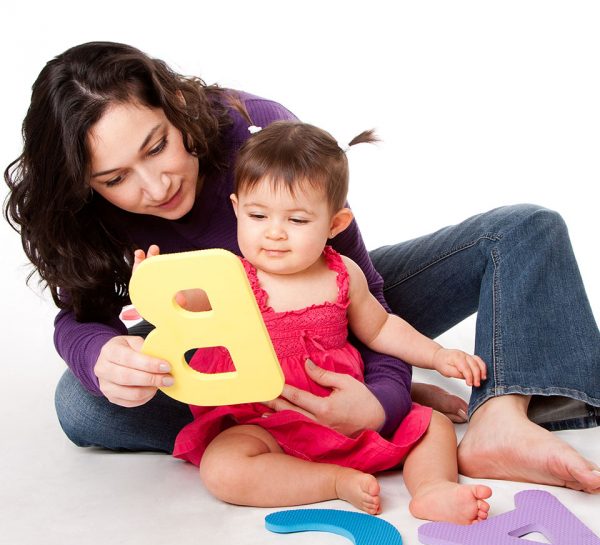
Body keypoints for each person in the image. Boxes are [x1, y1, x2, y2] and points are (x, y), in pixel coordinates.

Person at [4, 41, 599, 495]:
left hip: (330, 317)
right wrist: (101, 356)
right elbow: (80, 315)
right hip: (229, 371)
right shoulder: (80, 213)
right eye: (114, 180)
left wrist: (380, 399)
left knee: (524, 230)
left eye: (157, 146)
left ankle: (500, 417)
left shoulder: (257, 134)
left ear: (176, 106)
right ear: (82, 185)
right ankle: (290, 432)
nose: (155, 186)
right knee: (80, 403)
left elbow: (372, 293)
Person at [132, 120, 492, 522]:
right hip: (265, 422)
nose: (275, 234)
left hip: (345, 413)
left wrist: (437, 354)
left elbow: (381, 328)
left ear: (335, 224)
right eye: (257, 215)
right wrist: (154, 283)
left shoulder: (343, 274)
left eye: (297, 221)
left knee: (434, 427)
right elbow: (184, 303)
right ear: (236, 209)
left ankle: (432, 489)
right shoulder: (233, 276)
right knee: (222, 468)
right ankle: (333, 481)